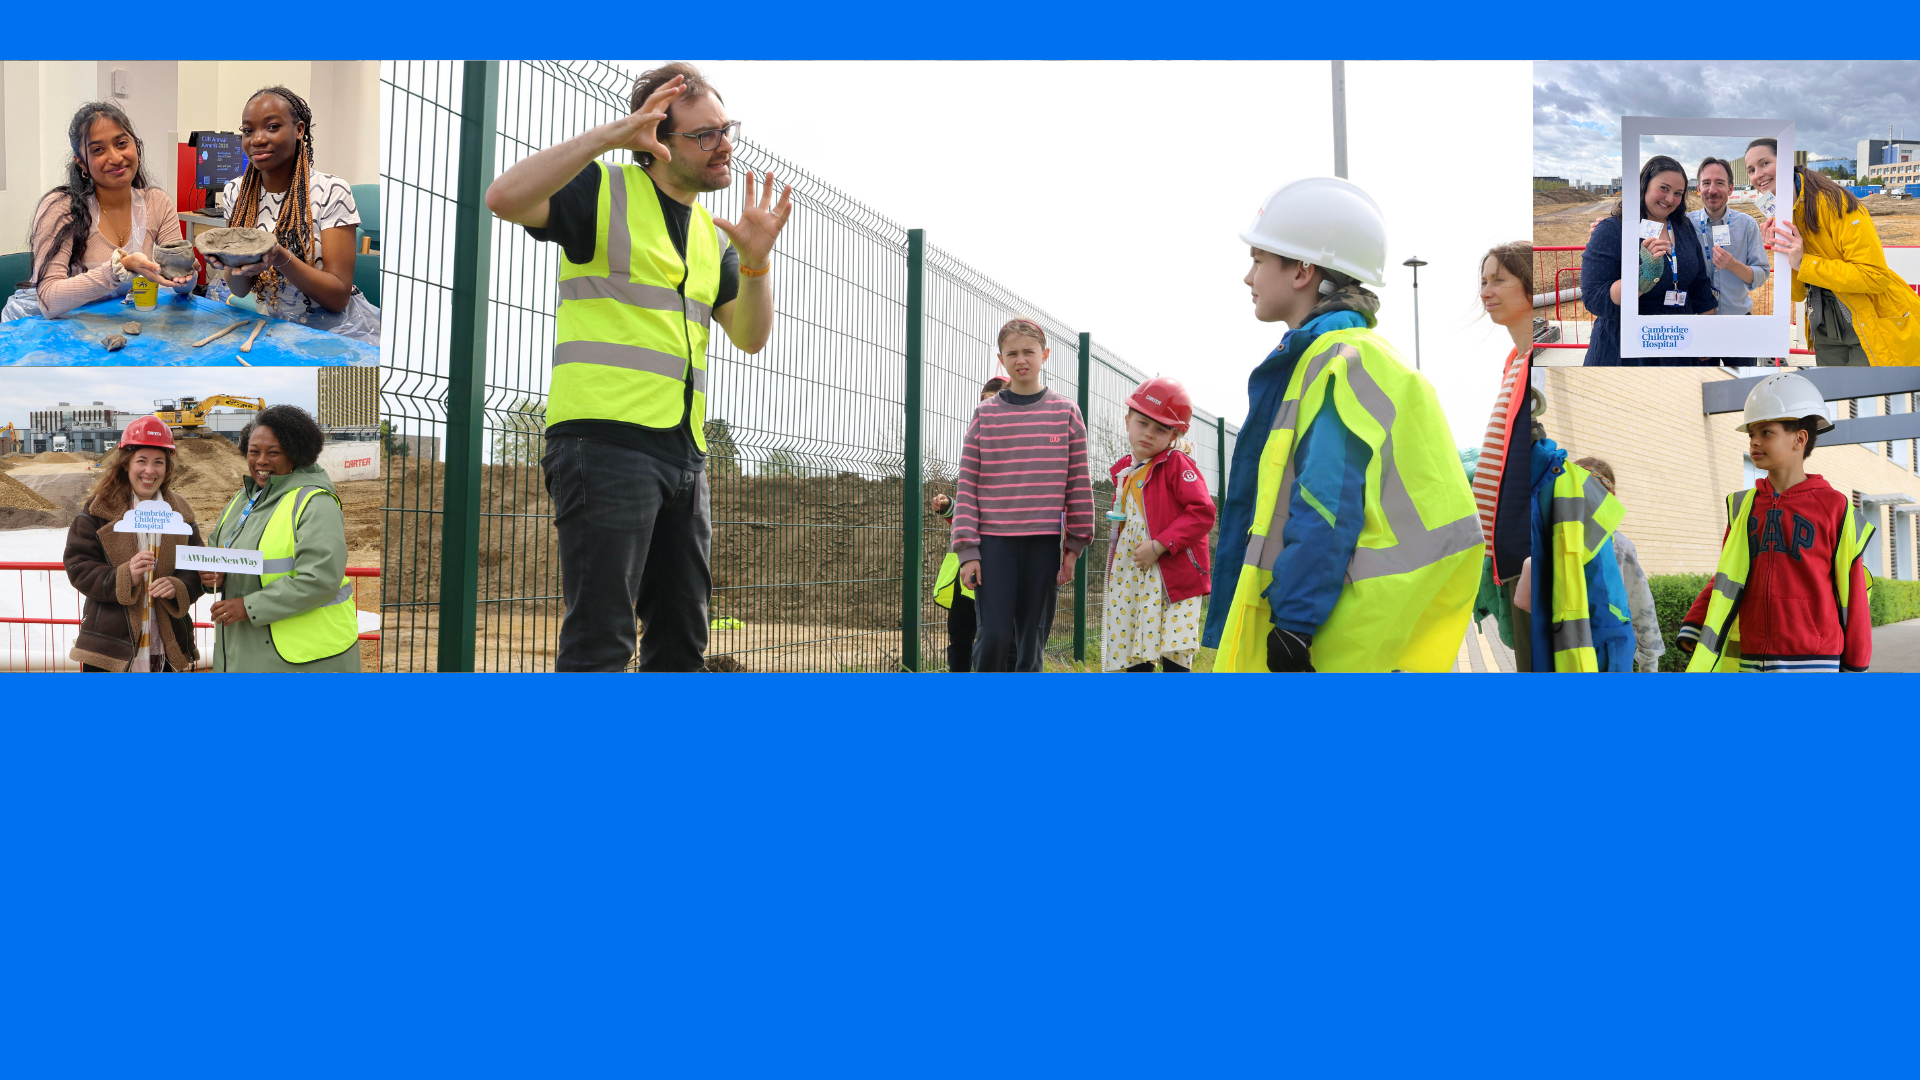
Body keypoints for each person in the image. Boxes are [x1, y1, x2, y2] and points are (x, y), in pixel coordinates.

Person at [484, 62, 792, 672]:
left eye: (726, 128)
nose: (724, 144)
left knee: (681, 643)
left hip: (683, 454)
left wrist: (755, 265)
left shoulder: (710, 233)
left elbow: (751, 338)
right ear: (656, 139)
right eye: (705, 134)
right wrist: (608, 136)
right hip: (603, 444)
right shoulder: (603, 189)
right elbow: (503, 198)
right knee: (602, 643)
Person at [1210, 177, 1483, 673]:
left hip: (1332, 633)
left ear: (1302, 271)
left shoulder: (1337, 362)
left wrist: (1294, 624)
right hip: (1358, 620)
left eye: (1258, 260)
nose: (1248, 278)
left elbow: (1325, 503)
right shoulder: (1345, 356)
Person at [1677, 372, 1872, 672]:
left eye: (1766, 432)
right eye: (1751, 434)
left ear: (1800, 438)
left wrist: (1856, 663)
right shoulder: (1742, 506)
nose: (1754, 441)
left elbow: (1853, 591)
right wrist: (1696, 621)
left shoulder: (1835, 507)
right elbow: (1729, 574)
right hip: (1753, 658)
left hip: (1815, 662)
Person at [950, 318, 1094, 672]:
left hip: (1044, 544)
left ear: (1044, 354)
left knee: (1032, 641)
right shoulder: (985, 415)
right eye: (1012, 353)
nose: (1021, 359)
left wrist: (1074, 548)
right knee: (995, 636)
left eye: (1029, 351)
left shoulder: (1066, 413)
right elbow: (967, 485)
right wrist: (968, 550)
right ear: (1001, 359)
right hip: (994, 544)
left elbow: (1078, 484)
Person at [199, 405, 362, 672]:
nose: (261, 461)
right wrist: (212, 577)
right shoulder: (240, 501)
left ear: (295, 454)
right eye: (254, 451)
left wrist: (248, 606)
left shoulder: (314, 502)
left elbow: (321, 578)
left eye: (273, 452)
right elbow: (218, 553)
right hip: (243, 651)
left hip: (305, 658)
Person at [212, 86, 380, 344]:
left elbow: (337, 299)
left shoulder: (331, 191)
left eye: (272, 127)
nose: (257, 139)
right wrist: (232, 263)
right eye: (247, 131)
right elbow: (240, 289)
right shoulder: (236, 192)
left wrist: (279, 255)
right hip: (272, 325)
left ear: (299, 130)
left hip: (337, 330)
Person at [4, 102, 195, 322]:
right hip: (48, 329)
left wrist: (186, 275)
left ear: (137, 147)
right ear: (81, 163)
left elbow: (176, 284)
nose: (115, 158)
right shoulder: (60, 208)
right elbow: (48, 300)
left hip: (118, 322)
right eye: (98, 150)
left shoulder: (157, 203)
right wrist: (118, 269)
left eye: (122, 143)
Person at [1746, 138, 1918, 367]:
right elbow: (1797, 294)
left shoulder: (1838, 204)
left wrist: (1804, 262)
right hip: (1824, 323)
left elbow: (1875, 276)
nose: (1758, 174)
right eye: (1751, 169)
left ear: (1787, 161)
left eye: (1764, 163)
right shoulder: (1784, 214)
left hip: (1871, 317)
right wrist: (1785, 254)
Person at [62, 417, 207, 672]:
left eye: (158, 462)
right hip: (110, 648)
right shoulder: (98, 509)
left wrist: (178, 587)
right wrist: (123, 575)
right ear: (126, 464)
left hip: (167, 646)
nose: (150, 471)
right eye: (142, 461)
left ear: (167, 467)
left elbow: (196, 569)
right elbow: (78, 566)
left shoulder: (181, 513)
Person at [1100, 377, 1216, 673]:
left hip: (1173, 575)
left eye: (1161, 429)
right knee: (1134, 649)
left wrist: (1160, 545)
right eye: (1142, 423)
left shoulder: (1177, 463)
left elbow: (1202, 512)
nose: (1149, 434)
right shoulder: (1126, 471)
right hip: (1136, 574)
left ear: (1174, 434)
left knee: (1172, 652)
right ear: (1127, 421)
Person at [1579, 155, 1718, 366]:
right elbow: (1594, 297)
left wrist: (1707, 334)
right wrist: (1643, 278)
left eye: (1678, 193)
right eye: (1663, 188)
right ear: (1644, 186)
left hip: (1678, 341)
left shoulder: (1683, 227)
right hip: (1629, 345)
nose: (1670, 199)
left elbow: (1699, 283)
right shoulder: (1613, 230)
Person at [1520, 417, 1634, 672]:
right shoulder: (1555, 513)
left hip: (1604, 643)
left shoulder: (1618, 544)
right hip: (1601, 643)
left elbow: (1639, 601)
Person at [1471, 241, 1537, 668]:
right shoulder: (1515, 359)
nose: (1486, 291)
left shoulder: (1537, 360)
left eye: (1499, 280)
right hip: (1508, 558)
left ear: (1529, 287)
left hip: (1526, 557)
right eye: (1483, 282)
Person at [930, 376, 1009, 672]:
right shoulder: (974, 447)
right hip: (967, 571)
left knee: (998, 638)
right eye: (984, 401)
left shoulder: (1018, 455)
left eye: (995, 400)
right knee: (960, 637)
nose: (988, 408)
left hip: (1002, 565)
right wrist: (951, 507)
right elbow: (970, 509)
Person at [1573, 457, 1664, 673]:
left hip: (1608, 657)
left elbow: (1641, 606)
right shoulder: (1555, 541)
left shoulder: (1620, 547)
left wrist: (1649, 664)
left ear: (1609, 499)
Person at [1687, 156, 1770, 366]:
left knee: (1744, 381)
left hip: (1738, 323)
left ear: (1731, 188)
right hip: (1700, 324)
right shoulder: (1685, 224)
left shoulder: (1747, 225)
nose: (1712, 190)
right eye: (1706, 183)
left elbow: (1761, 274)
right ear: (1698, 188)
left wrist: (1733, 265)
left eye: (1720, 183)